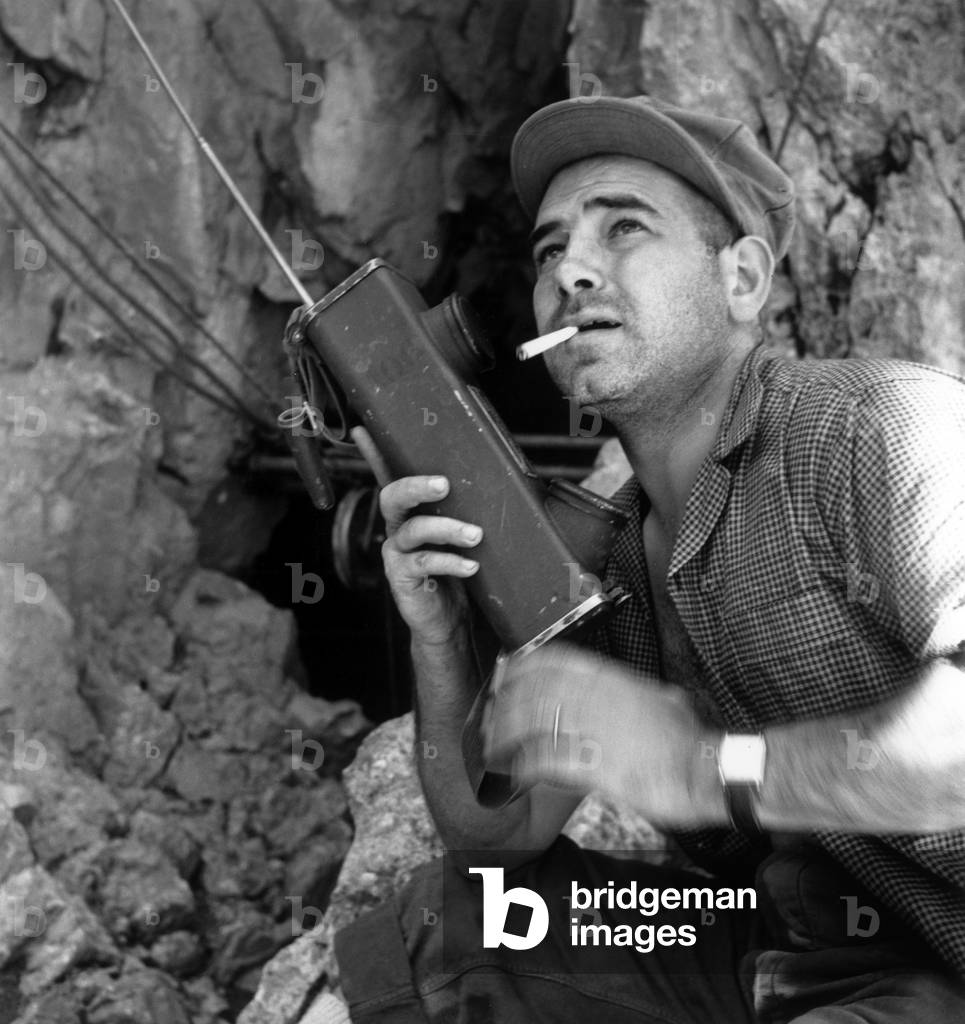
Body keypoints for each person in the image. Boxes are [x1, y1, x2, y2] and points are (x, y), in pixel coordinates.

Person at [336, 96, 965, 1023]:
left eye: (623, 228)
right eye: (550, 251)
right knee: (453, 929)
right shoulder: (614, 557)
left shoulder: (876, 429)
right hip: (798, 953)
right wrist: (441, 640)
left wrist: (697, 766)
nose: (571, 272)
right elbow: (495, 839)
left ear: (741, 279)